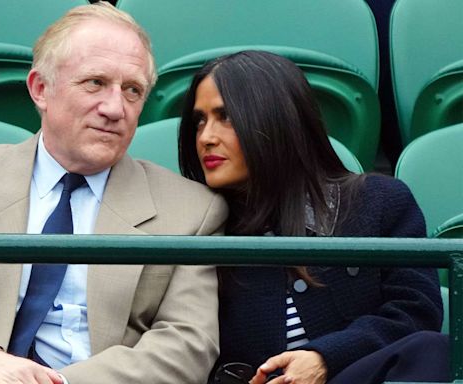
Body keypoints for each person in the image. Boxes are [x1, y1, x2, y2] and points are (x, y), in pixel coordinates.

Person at [0, 3, 228, 384]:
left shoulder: (193, 210)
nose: (114, 108)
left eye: (133, 90)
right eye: (95, 83)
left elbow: (188, 343)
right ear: (41, 89)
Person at [177, 50, 449, 384]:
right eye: (199, 121)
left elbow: (416, 312)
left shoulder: (379, 202)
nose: (205, 137)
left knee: (432, 349)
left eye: (226, 117)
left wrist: (324, 358)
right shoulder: (198, 227)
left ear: (275, 120)